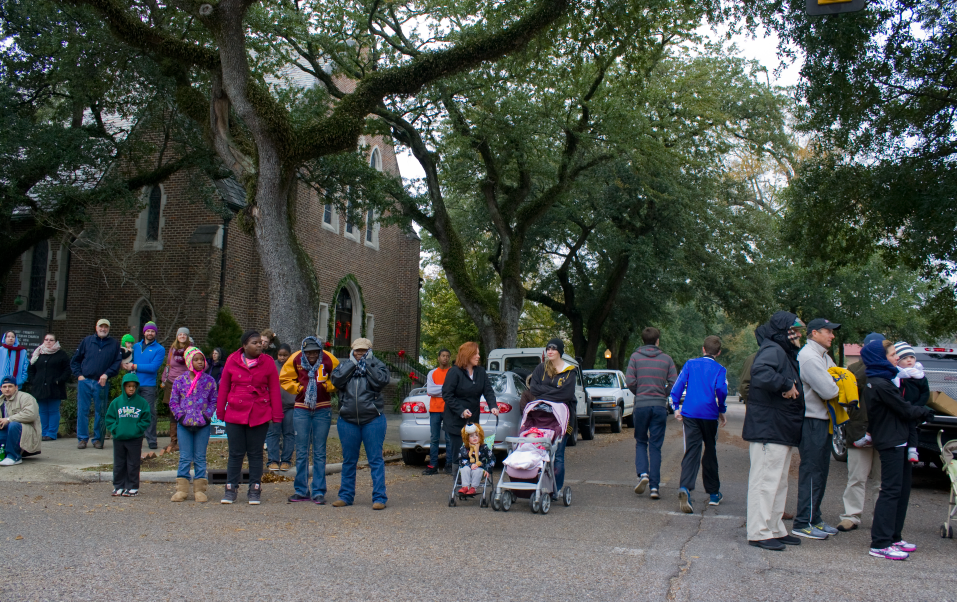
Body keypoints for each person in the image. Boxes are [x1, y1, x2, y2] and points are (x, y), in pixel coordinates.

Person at [861, 339, 933, 560]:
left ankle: (894, 536)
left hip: (899, 438)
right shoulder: (880, 383)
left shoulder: (885, 380)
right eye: (892, 353)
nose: (896, 357)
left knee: (901, 490)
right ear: (880, 357)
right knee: (891, 491)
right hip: (891, 440)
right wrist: (924, 411)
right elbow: (904, 409)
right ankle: (880, 543)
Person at [743, 311, 806, 551]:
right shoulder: (773, 350)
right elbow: (760, 373)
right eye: (795, 330)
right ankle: (759, 532)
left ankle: (774, 527)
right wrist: (786, 383)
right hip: (769, 429)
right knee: (765, 481)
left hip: (779, 428)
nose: (799, 334)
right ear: (784, 331)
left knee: (778, 482)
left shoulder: (782, 352)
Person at [216, 330, 282, 505]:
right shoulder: (232, 360)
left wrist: (277, 416)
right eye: (254, 342)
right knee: (235, 453)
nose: (259, 345)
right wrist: (220, 411)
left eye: (260, 342)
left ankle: (254, 488)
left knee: (255, 453)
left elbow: (275, 389)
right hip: (235, 412)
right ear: (244, 345)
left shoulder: (267, 362)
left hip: (259, 413)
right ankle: (231, 488)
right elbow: (223, 387)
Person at [792, 318, 842, 540]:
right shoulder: (809, 357)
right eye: (828, 332)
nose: (832, 336)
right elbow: (830, 390)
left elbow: (837, 379)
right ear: (814, 333)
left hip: (823, 419)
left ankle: (815, 518)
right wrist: (838, 384)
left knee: (821, 470)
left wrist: (837, 383)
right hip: (811, 419)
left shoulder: (823, 355)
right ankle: (802, 521)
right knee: (812, 471)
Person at [670, 335, 728, 514]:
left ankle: (685, 487)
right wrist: (721, 409)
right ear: (718, 352)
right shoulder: (720, 369)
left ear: (703, 349)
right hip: (710, 414)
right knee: (710, 450)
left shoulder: (690, 364)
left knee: (692, 450)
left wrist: (676, 407)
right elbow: (721, 389)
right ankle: (713, 493)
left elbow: (678, 386)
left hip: (691, 413)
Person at [331, 338, 391, 509]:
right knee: (349, 460)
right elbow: (336, 381)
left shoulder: (377, 365)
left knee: (375, 459)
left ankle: (379, 497)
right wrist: (352, 365)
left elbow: (381, 381)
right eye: (357, 350)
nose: (360, 354)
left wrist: (368, 364)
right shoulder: (344, 365)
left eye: (364, 350)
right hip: (348, 419)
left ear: (369, 350)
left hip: (373, 418)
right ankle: (346, 496)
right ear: (352, 350)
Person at [280, 336, 339, 504]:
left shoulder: (328, 358)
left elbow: (340, 377)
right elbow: (284, 378)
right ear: (303, 351)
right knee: (302, 451)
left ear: (320, 350)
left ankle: (319, 491)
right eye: (308, 352)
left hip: (323, 408)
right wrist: (299, 387)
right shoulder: (296, 358)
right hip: (301, 408)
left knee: (319, 451)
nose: (312, 355)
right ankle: (301, 490)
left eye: (315, 351)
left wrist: (327, 386)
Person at [836, 332, 884, 532]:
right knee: (856, 477)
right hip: (858, 429)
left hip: (884, 431)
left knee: (882, 481)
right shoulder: (855, 369)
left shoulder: (893, 371)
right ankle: (851, 515)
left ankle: (881, 517)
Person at [625, 327, 677, 500]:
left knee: (641, 441)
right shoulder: (667, 360)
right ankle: (654, 487)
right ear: (657, 341)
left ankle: (643, 474)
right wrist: (664, 393)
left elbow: (630, 381)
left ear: (643, 340)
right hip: (659, 406)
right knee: (655, 446)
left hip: (641, 405)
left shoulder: (635, 358)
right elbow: (673, 382)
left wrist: (640, 392)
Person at [443, 342, 499, 483]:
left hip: (473, 419)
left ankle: (472, 479)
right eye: (475, 353)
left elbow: (488, 390)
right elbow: (447, 394)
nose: (478, 356)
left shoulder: (480, 372)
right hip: (456, 420)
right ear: (467, 355)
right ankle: (459, 482)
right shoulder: (454, 372)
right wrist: (461, 410)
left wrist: (493, 405)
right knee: (458, 452)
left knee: (474, 449)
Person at [528, 338, 576, 500]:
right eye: (548, 348)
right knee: (538, 451)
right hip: (542, 416)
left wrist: (545, 392)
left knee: (558, 454)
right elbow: (534, 388)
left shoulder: (570, 371)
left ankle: (557, 488)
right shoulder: (541, 368)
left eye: (554, 348)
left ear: (560, 351)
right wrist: (554, 390)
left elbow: (567, 395)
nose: (550, 351)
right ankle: (540, 484)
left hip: (563, 417)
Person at [169, 347, 217, 503]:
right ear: (189, 361)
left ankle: (199, 489)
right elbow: (173, 401)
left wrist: (206, 415)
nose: (199, 362)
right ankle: (182, 489)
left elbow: (213, 400)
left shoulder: (209, 381)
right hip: (184, 425)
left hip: (202, 425)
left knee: (200, 457)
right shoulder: (179, 381)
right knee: (185, 457)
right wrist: (180, 417)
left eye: (201, 360)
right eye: (196, 360)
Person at [70, 319, 121, 449]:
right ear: (96, 327)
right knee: (83, 410)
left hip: (102, 383)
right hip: (85, 381)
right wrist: (79, 375)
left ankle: (98, 439)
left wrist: (107, 374)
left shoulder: (114, 344)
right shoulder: (87, 341)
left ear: (109, 329)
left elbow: (117, 363)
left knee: (101, 411)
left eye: (106, 327)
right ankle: (82, 439)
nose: (103, 329)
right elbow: (75, 360)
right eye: (101, 326)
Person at [105, 373, 151, 496]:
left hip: (135, 439)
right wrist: (116, 429)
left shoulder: (142, 403)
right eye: (128, 386)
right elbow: (109, 418)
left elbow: (146, 419)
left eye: (133, 386)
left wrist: (137, 429)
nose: (131, 389)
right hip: (119, 438)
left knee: (133, 463)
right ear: (123, 387)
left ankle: (133, 486)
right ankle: (119, 485)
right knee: (119, 463)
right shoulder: (116, 402)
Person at [27, 333, 71, 441]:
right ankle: (43, 432)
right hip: (40, 387)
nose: (48, 342)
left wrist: (59, 380)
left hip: (54, 387)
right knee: (42, 410)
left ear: (55, 342)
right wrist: (34, 381)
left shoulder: (61, 354)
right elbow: (31, 369)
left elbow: (67, 370)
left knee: (53, 410)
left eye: (51, 340)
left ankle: (51, 433)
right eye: (46, 339)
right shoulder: (38, 353)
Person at [129, 321, 165, 450]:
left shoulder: (159, 349)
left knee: (149, 412)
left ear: (155, 333)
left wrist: (135, 366)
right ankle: (132, 437)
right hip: (133, 383)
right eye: (148, 331)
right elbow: (128, 361)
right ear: (144, 332)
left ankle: (151, 440)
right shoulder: (136, 347)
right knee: (132, 411)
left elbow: (153, 367)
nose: (150, 333)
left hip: (148, 385)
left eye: (152, 331)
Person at [894, 342, 930, 464]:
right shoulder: (897, 375)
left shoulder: (920, 376)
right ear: (898, 361)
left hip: (914, 407)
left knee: (912, 428)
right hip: (901, 408)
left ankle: (912, 450)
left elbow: (925, 392)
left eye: (911, 357)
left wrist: (918, 406)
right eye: (904, 358)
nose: (909, 360)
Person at [160, 328, 191, 452]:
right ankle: (173, 441)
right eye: (180, 334)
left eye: (184, 334)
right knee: (172, 411)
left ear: (187, 337)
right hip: (171, 383)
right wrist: (164, 378)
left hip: (185, 384)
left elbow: (196, 365)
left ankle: (184, 441)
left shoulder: (190, 350)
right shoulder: (172, 349)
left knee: (184, 411)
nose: (182, 336)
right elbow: (168, 364)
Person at [267, 343, 296, 472]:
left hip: (290, 405)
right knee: (273, 433)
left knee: (288, 433)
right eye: (280, 355)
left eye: (285, 355)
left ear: (290, 355)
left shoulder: (294, 366)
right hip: (275, 406)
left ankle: (286, 460)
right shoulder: (272, 366)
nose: (282, 358)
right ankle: (273, 460)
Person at [0, 376, 41, 466]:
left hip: (27, 432)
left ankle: (14, 457)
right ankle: (5, 454)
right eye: (4, 387)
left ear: (16, 387)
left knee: (13, 424)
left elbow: (31, 415)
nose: (7, 389)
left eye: (10, 386)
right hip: (8, 431)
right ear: (1, 389)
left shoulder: (26, 398)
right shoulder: (1, 400)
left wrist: (8, 419)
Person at [423, 348, 452, 475]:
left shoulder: (453, 372)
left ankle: (449, 465)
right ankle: (433, 465)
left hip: (449, 409)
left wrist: (440, 390)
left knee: (449, 438)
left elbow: (454, 390)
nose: (445, 358)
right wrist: (446, 389)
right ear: (438, 358)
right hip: (435, 409)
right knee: (434, 438)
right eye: (443, 356)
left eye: (447, 356)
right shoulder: (432, 373)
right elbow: (430, 390)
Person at [457, 423, 494, 495]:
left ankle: (473, 488)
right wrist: (470, 465)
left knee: (477, 471)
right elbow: (461, 459)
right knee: (464, 469)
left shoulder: (484, 447)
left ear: (480, 437)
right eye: (471, 436)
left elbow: (491, 459)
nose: (474, 438)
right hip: (468, 467)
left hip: (480, 468)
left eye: (477, 435)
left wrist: (488, 469)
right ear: (467, 438)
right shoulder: (464, 448)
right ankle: (465, 487)